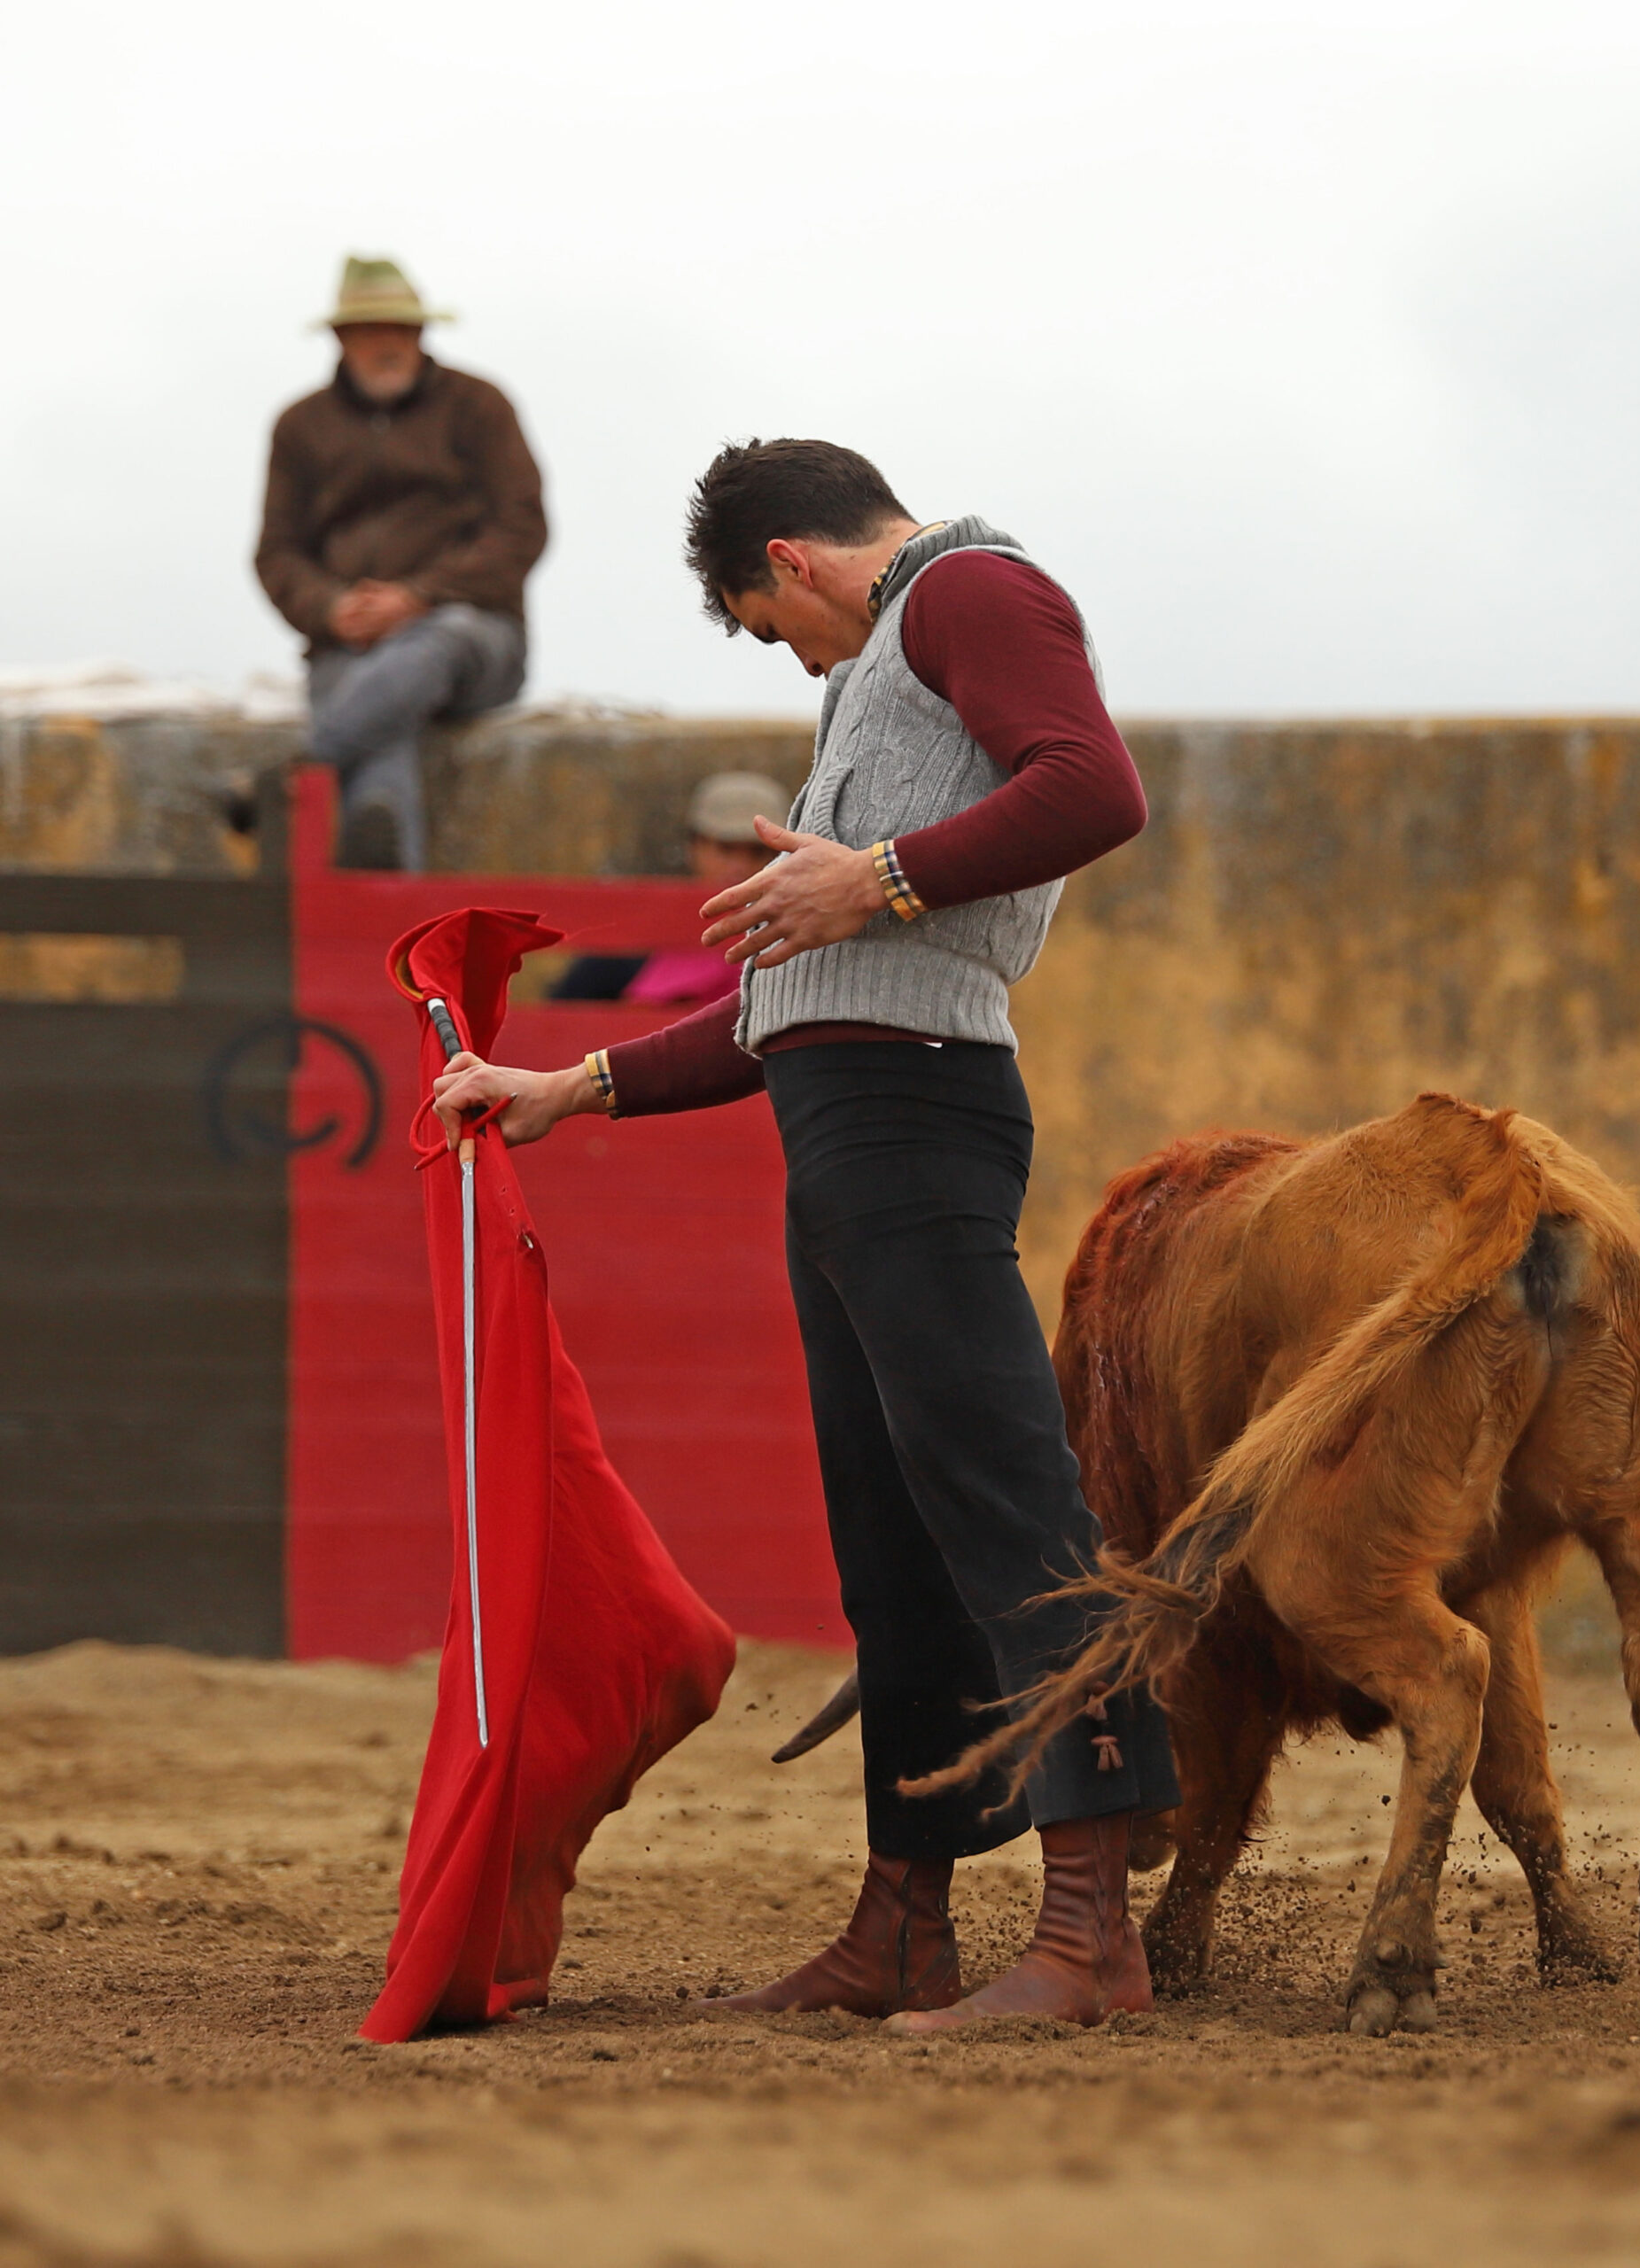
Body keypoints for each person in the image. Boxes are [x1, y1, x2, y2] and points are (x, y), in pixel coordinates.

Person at [432, 439, 1178, 2033]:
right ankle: (904, 1922)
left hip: (919, 1117)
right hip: (849, 1118)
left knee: (1000, 1504)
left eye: (775, 631)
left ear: (793, 564)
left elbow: (1098, 788)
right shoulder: (885, 669)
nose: (796, 660)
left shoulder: (974, 590)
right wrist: (577, 1085)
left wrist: (887, 879)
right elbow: (794, 1006)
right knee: (895, 1542)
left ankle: (1091, 1933)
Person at [255, 256, 548, 870]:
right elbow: (277, 553)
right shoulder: (299, 426)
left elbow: (521, 528)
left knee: (432, 643)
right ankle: (391, 904)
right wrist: (334, 609)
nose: (388, 341)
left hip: (474, 636)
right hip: (348, 645)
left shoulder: (479, 406)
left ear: (420, 333)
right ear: (341, 338)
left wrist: (419, 597)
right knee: (382, 738)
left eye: (401, 327)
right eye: (371, 328)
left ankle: (302, 764)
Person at [549, 771, 792, 1005]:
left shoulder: (797, 934)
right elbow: (562, 1013)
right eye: (725, 849)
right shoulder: (639, 937)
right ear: (695, 846)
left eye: (757, 852)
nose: (739, 866)